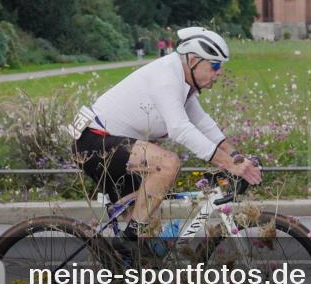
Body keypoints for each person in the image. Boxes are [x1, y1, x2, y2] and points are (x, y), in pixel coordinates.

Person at [71, 27, 262, 242]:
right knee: (168, 164)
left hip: (118, 148)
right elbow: (180, 128)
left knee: (151, 236)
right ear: (193, 61)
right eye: (215, 65)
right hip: (95, 141)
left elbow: (202, 123)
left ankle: (129, 253)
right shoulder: (166, 77)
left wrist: (236, 157)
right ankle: (130, 239)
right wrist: (228, 164)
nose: (219, 72)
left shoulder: (183, 81)